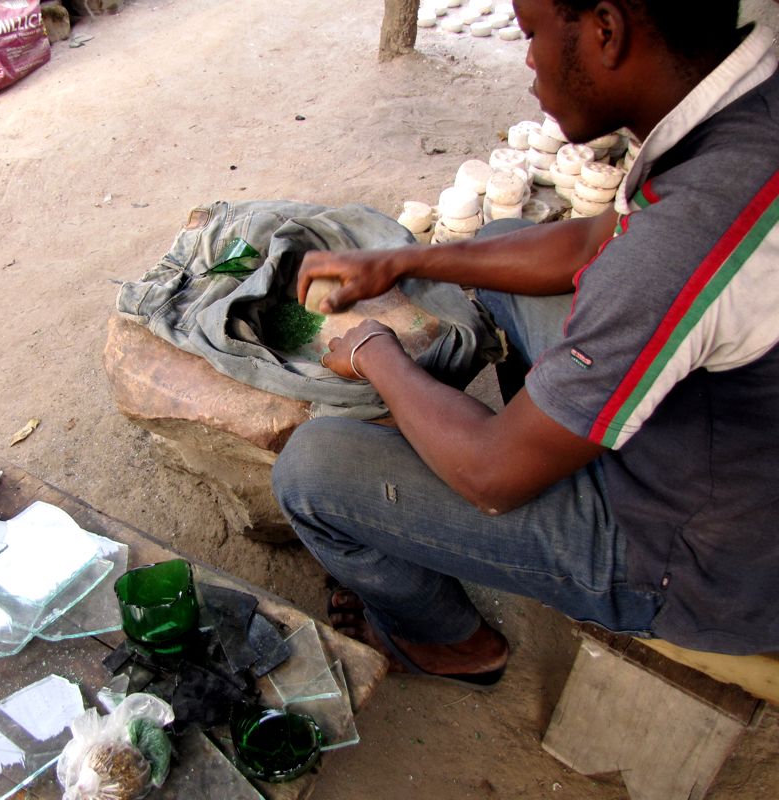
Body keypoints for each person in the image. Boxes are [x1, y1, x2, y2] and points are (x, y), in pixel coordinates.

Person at [271, 0, 779, 683]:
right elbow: (588, 243)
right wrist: (404, 262)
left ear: (606, 31)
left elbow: (490, 476)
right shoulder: (742, 119)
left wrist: (373, 351)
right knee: (503, 247)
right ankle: (553, 431)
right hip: (733, 458)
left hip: (701, 562)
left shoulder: (684, 241)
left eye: (533, 31)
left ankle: (452, 644)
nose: (529, 59)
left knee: (310, 469)